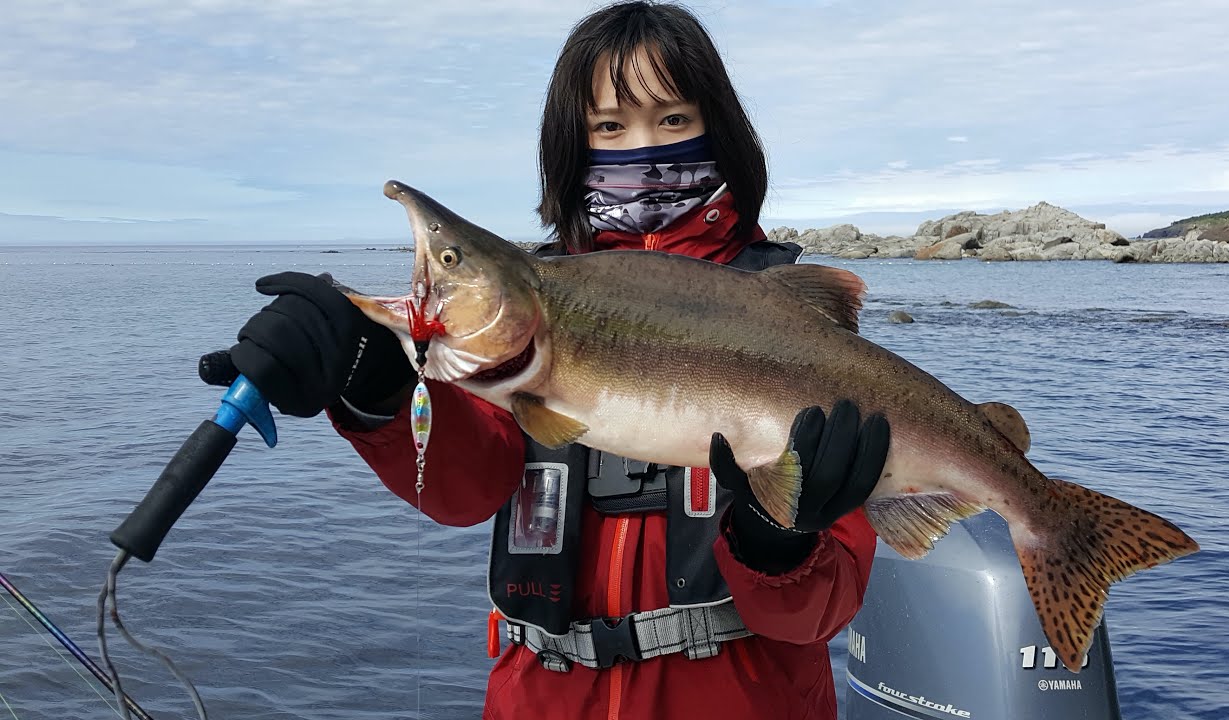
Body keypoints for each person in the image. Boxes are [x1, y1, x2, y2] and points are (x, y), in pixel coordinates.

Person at [218, 2, 889, 718]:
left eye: (673, 119)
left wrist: (777, 542)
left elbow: (819, 614)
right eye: (610, 126)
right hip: (541, 695)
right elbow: (465, 492)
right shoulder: (527, 324)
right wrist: (374, 385)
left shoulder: (790, 324)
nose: (643, 149)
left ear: (719, 128)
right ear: (573, 142)